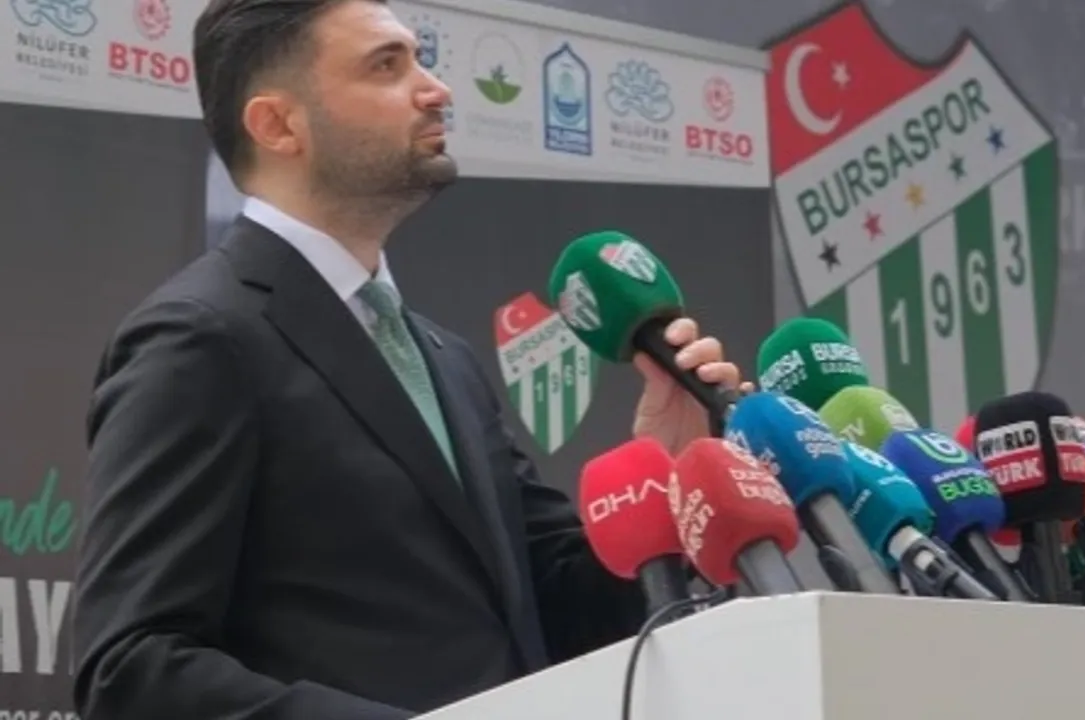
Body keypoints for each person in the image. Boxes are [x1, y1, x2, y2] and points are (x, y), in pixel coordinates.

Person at [70, 1, 746, 718]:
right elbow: (131, 670)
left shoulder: (447, 360)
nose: (437, 88)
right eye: (386, 66)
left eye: (420, 59)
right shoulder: (200, 338)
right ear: (278, 125)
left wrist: (667, 480)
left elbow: (558, 610)